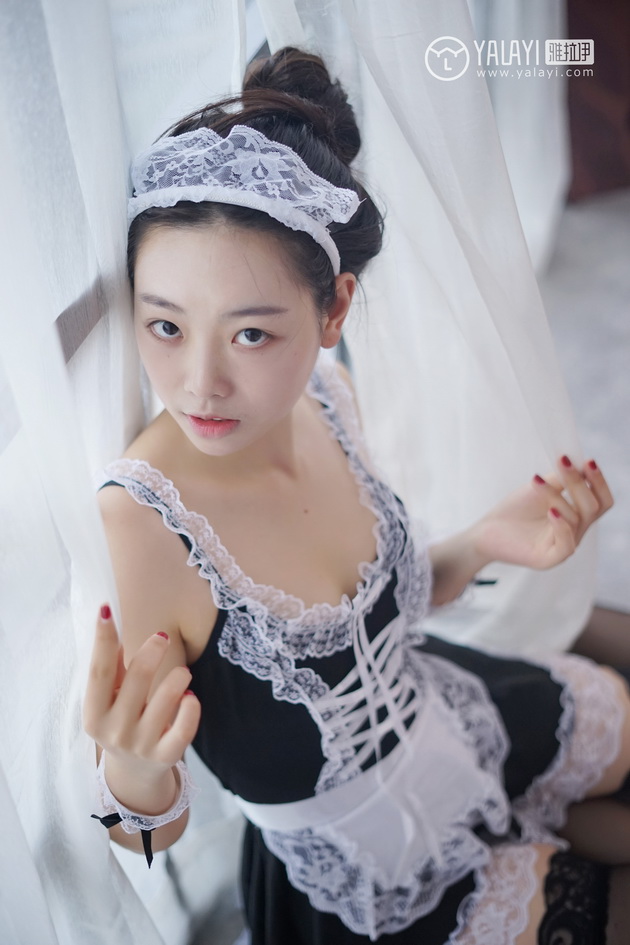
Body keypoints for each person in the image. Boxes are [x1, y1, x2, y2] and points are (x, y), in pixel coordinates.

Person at [83, 46, 630, 945]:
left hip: (445, 717)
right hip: (357, 878)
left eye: (251, 334)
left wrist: (484, 543)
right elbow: (142, 838)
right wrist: (132, 768)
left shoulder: (325, 400)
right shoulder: (147, 517)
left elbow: (384, 612)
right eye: (165, 325)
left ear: (333, 309)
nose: (199, 383)